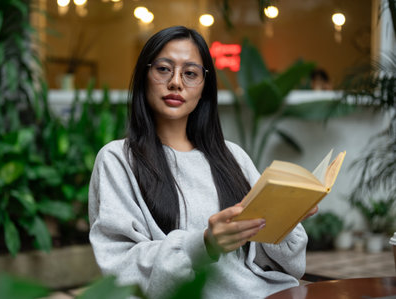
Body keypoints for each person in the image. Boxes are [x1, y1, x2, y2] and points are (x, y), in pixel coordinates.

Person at [89, 26, 316, 299]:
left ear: (204, 87)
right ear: (144, 76)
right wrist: (204, 244)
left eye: (190, 73)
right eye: (163, 69)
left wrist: (285, 220)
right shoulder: (118, 160)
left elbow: (289, 266)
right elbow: (120, 269)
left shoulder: (231, 156)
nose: (176, 82)